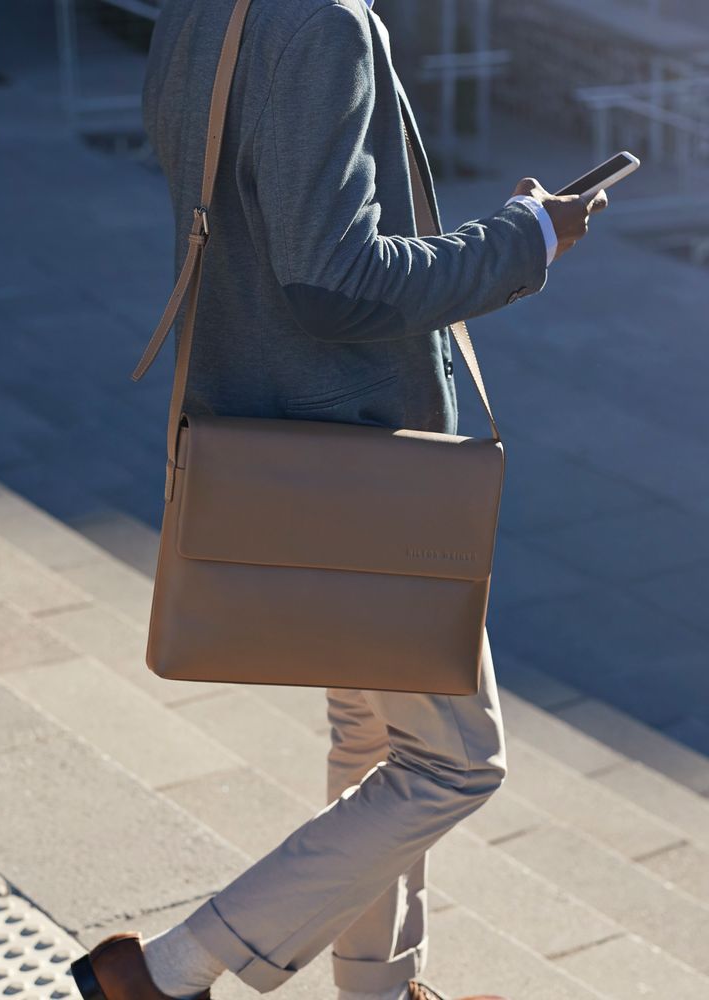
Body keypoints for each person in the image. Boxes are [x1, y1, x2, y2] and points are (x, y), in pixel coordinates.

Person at [71, 0, 606, 997]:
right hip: (354, 454)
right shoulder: (318, 23)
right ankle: (162, 973)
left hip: (276, 424)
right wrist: (521, 240)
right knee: (454, 763)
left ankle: (375, 986)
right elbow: (331, 276)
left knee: (369, 737)